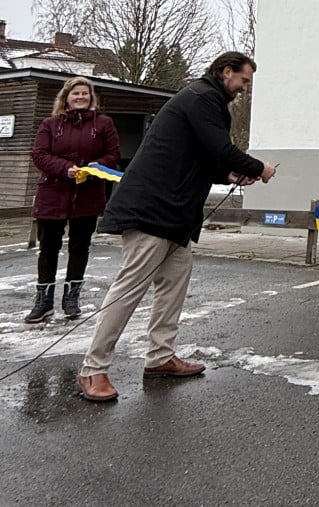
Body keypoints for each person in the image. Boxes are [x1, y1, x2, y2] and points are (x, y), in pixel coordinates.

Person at [76, 52, 276, 403]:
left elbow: (201, 157)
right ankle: (93, 369)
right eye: (243, 80)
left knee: (173, 287)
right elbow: (220, 147)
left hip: (176, 217)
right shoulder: (201, 97)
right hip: (151, 211)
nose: (245, 88)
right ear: (226, 72)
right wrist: (259, 168)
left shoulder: (208, 101)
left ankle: (160, 357)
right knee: (128, 290)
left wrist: (230, 175)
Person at [27, 76, 121, 323]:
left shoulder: (103, 123)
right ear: (66, 97)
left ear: (91, 97)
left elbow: (113, 154)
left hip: (87, 194)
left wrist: (95, 166)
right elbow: (39, 154)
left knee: (79, 247)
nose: (81, 97)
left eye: (85, 93)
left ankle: (71, 298)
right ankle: (44, 301)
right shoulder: (50, 124)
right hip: (53, 193)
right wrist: (65, 168)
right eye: (76, 93)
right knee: (48, 248)